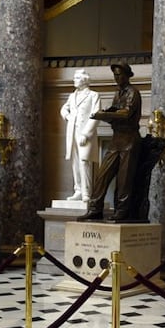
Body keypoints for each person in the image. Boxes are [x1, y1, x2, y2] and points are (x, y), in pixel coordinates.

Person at [78, 63, 142, 222]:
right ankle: (95, 209)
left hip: (129, 139)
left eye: (119, 74)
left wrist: (104, 115)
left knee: (124, 179)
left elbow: (126, 113)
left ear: (127, 75)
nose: (117, 77)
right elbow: (114, 112)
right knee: (102, 175)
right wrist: (104, 115)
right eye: (115, 75)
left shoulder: (133, 93)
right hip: (116, 139)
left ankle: (122, 211)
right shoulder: (117, 94)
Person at [60, 69, 101, 202]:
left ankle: (86, 192)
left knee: (85, 162)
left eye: (77, 78)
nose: (74, 80)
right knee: (75, 162)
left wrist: (86, 134)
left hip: (84, 133)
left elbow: (96, 115)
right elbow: (64, 108)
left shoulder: (93, 95)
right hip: (72, 132)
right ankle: (78, 190)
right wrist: (67, 115)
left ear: (84, 80)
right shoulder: (72, 95)